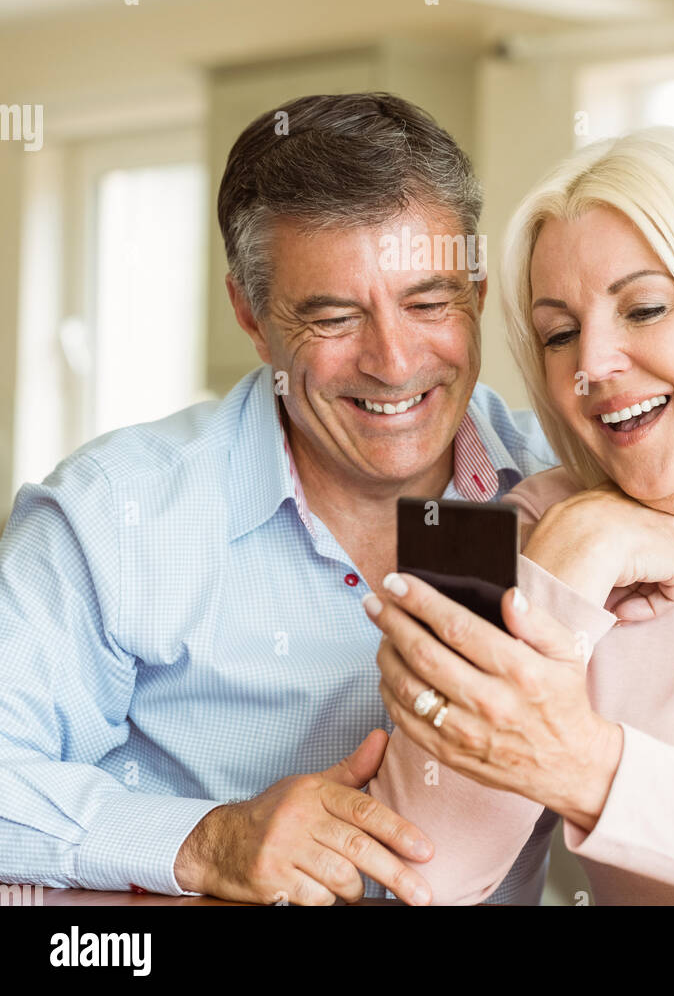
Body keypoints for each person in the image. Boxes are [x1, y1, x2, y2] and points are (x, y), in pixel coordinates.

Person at [0, 92, 559, 906]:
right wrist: (204, 841)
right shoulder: (111, 518)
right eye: (334, 317)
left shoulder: (560, 493)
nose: (395, 361)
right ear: (252, 319)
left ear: (476, 292)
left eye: (430, 302)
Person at [366, 125, 674, 906]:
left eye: (644, 308)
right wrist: (557, 579)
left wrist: (588, 767)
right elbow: (420, 871)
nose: (591, 365)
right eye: (558, 333)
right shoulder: (503, 524)